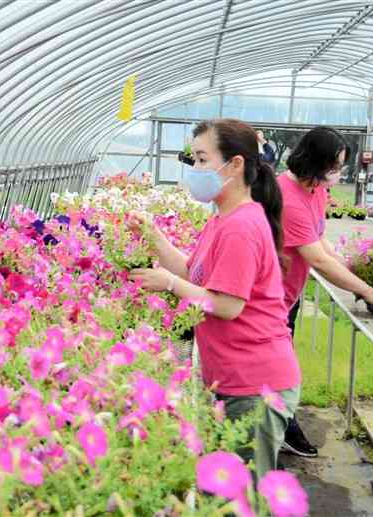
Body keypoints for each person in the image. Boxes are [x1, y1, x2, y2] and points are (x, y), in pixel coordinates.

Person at [130, 119, 299, 479]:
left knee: (245, 497)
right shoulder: (224, 218)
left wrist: (170, 284)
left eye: (203, 159)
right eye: (194, 159)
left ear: (235, 164)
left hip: (256, 383)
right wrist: (153, 236)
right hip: (237, 378)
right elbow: (195, 273)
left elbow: (226, 305)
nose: (195, 169)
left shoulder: (241, 226)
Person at [278, 127, 373, 458]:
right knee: (278, 369)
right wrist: (368, 290)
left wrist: (351, 273)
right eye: (335, 166)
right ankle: (277, 430)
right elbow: (318, 260)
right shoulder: (286, 197)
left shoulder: (315, 189)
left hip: (289, 294)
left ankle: (279, 424)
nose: (339, 173)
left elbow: (321, 241)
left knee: (282, 365)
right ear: (314, 161)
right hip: (267, 299)